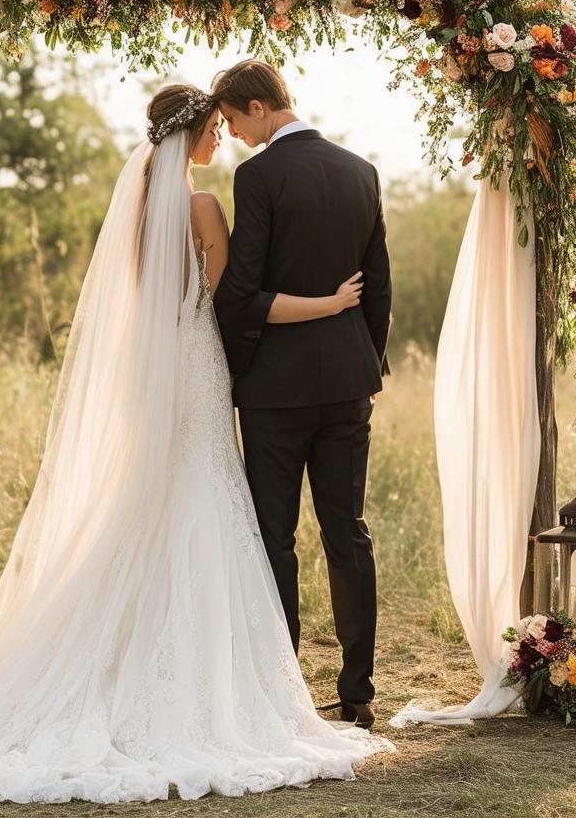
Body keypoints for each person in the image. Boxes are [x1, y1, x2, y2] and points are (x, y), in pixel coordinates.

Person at [0, 82, 394, 804]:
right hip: (253, 372)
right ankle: (311, 688)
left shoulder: (147, 209)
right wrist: (345, 349)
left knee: (222, 523)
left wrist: (252, 363)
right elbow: (241, 297)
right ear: (194, 132)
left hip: (173, 377)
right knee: (292, 523)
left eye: (226, 123)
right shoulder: (251, 196)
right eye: (213, 128)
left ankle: (221, 672)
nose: (223, 138)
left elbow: (204, 300)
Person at [211, 60, 392, 731]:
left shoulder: (259, 177)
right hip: (349, 385)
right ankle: (359, 691)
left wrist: (229, 362)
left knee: (275, 539)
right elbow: (379, 286)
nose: (229, 134)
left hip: (275, 393)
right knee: (348, 534)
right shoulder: (361, 171)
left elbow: (242, 291)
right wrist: (364, 363)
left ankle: (284, 690)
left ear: (259, 107)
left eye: (232, 119)